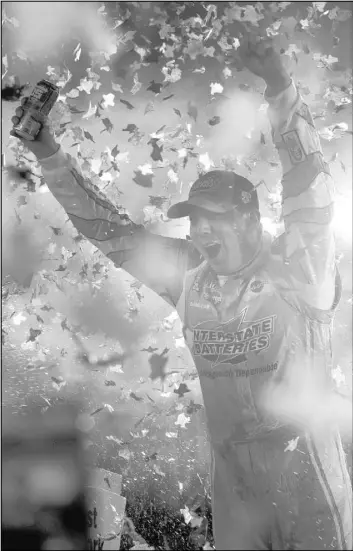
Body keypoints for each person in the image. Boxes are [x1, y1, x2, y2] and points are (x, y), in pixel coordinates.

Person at [11, 36, 352, 550]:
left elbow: (309, 187)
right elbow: (109, 229)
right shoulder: (187, 274)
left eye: (213, 221)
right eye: (194, 223)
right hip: (238, 491)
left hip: (307, 478)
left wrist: (282, 89)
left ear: (246, 219)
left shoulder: (299, 266)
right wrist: (48, 151)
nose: (202, 233)